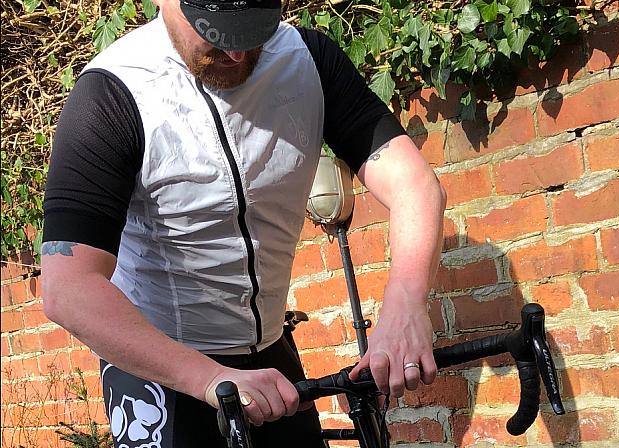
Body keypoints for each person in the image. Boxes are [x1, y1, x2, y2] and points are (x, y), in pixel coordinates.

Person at [40, 0, 447, 445]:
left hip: (270, 352)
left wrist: (407, 302)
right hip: (161, 370)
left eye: (252, 29)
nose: (236, 52)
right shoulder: (111, 93)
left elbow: (413, 184)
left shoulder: (308, 60)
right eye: (212, 28)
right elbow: (69, 288)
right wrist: (209, 377)